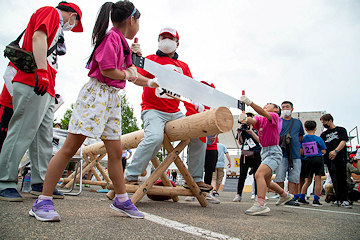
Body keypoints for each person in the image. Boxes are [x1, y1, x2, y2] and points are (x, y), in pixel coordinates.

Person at [29, 1, 148, 222]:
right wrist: (129, 74)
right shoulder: (112, 37)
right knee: (70, 148)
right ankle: (42, 201)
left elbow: (130, 74)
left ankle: (121, 199)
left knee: (115, 152)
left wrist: (150, 83)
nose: (139, 26)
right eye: (139, 21)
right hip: (97, 96)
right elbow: (109, 70)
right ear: (132, 19)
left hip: (111, 98)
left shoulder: (121, 42)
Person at [0, 1, 83, 202]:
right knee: (21, 130)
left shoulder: (56, 23)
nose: (72, 27)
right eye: (75, 22)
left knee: (42, 138)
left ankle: (40, 182)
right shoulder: (51, 13)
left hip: (45, 86)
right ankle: (5, 181)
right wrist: (42, 70)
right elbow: (39, 37)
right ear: (72, 15)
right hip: (33, 80)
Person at [125, 27, 213, 195]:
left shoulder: (183, 66)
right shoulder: (149, 60)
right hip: (153, 110)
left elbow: (190, 88)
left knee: (199, 132)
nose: (166, 40)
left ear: (177, 43)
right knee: (154, 137)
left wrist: (196, 101)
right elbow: (134, 78)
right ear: (158, 41)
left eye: (170, 38)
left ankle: (195, 179)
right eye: (163, 38)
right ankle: (131, 175)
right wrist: (150, 82)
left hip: (175, 113)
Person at [239, 96, 293, 215]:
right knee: (267, 182)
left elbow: (262, 112)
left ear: (275, 109)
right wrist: (245, 119)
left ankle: (260, 204)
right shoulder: (261, 120)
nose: (265, 106)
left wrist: (250, 103)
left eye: (268, 105)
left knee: (259, 174)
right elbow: (253, 121)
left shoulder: (274, 117)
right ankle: (285, 195)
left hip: (273, 152)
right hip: (265, 151)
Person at [275, 101, 304, 206]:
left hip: (295, 153)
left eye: (287, 107)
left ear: (292, 109)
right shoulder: (278, 121)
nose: (285, 109)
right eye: (283, 107)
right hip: (281, 153)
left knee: (294, 176)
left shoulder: (298, 122)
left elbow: (301, 136)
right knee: (279, 176)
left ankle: (290, 196)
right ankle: (282, 195)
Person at [320, 113, 351, 208]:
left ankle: (344, 199)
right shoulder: (324, 134)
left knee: (342, 178)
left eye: (325, 122)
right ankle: (337, 198)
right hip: (330, 160)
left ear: (330, 121)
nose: (324, 124)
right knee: (334, 179)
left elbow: (343, 141)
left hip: (340, 158)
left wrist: (336, 151)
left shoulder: (341, 130)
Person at [233, 112, 262, 202]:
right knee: (242, 175)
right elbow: (240, 142)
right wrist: (239, 133)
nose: (248, 118)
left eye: (250, 116)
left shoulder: (258, 129)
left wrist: (251, 132)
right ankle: (238, 194)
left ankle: (257, 194)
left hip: (256, 153)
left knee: (257, 175)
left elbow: (260, 141)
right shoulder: (243, 129)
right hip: (245, 154)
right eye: (247, 117)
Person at [298, 120, 327, 207]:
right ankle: (316, 199)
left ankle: (302, 197)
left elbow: (301, 152)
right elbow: (324, 151)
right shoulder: (318, 139)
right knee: (317, 180)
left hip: (307, 159)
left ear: (305, 129)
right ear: (315, 129)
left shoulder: (303, 139)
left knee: (308, 180)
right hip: (317, 158)